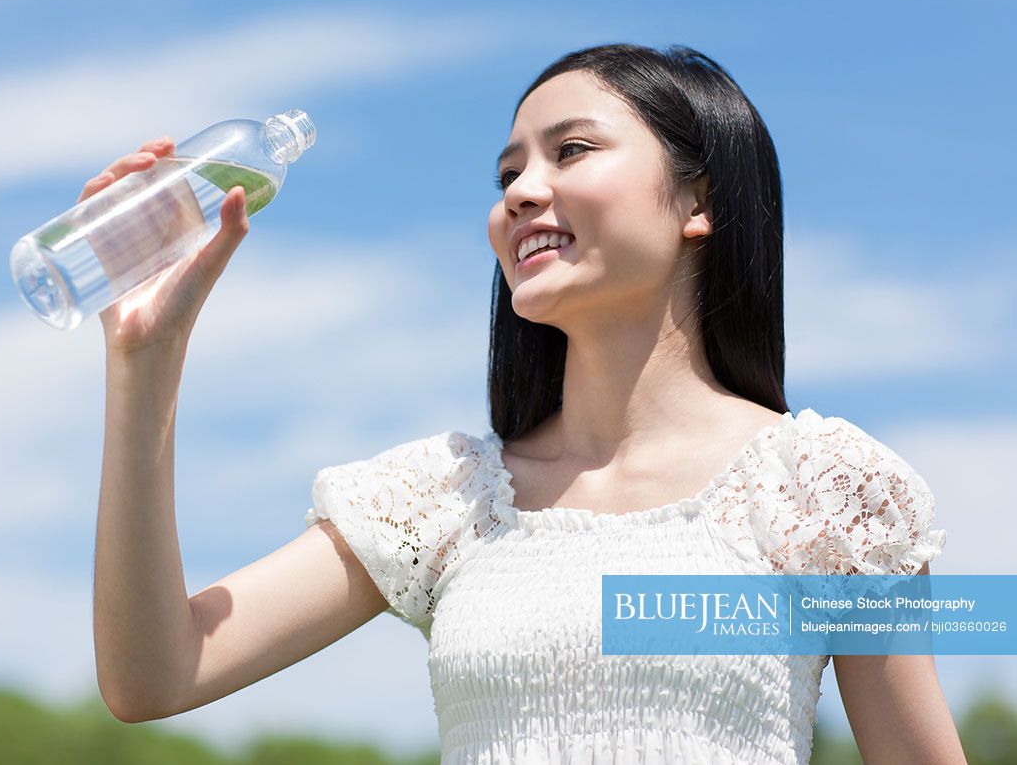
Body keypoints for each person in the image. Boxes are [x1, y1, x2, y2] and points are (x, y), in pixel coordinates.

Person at [90, 43, 965, 763]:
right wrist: (143, 361)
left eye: (570, 151)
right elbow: (157, 675)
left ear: (698, 200)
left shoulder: (827, 489)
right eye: (509, 170)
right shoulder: (447, 496)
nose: (519, 190)